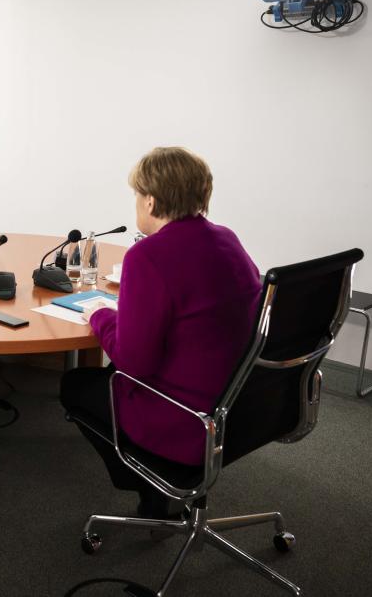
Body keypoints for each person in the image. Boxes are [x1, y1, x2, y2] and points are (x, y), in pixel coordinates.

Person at [60, 146, 261, 518]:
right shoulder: (226, 239)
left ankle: (154, 488)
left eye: (137, 194)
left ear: (150, 201)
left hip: (187, 417)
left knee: (76, 386)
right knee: (108, 376)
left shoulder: (148, 257)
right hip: (243, 405)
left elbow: (134, 362)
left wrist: (100, 315)